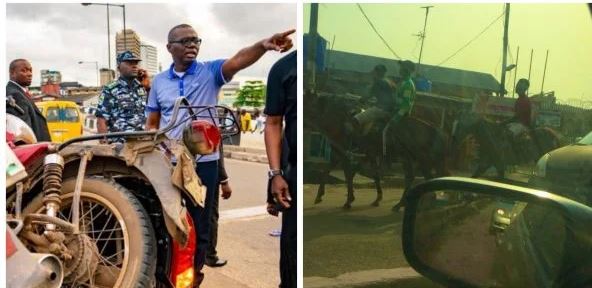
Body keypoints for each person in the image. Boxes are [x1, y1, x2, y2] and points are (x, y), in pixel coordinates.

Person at [145, 23, 294, 287]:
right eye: (185, 41)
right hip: (169, 164)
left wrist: (262, 45)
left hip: (204, 165)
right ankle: (164, 273)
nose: (192, 44)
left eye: (196, 40)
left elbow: (237, 60)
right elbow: (152, 123)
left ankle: (192, 277)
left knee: (201, 227)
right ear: (170, 48)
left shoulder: (210, 72)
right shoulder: (159, 83)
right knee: (165, 221)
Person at [264, 50, 296, 288]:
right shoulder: (283, 68)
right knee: (291, 250)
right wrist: (275, 175)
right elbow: (274, 124)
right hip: (294, 174)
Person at [95, 51, 149, 140]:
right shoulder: (110, 90)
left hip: (141, 142)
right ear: (119, 67)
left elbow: (151, 113)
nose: (134, 66)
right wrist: (105, 146)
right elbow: (101, 121)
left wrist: (148, 87)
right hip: (120, 146)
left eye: (136, 63)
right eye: (129, 63)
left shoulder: (141, 88)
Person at [6, 59, 51, 142]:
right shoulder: (15, 94)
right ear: (12, 73)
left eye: (30, 70)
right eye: (24, 70)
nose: (30, 74)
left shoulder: (20, 92)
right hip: (33, 151)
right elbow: (23, 134)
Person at [205, 144, 232, 267]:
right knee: (210, 215)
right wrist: (224, 180)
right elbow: (217, 153)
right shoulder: (210, 124)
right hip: (206, 170)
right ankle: (209, 255)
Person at [351, 64, 396, 135]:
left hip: (380, 109)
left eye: (375, 72)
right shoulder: (389, 81)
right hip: (389, 109)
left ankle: (355, 141)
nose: (373, 74)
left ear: (378, 72)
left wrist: (360, 100)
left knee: (355, 120)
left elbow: (369, 96)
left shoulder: (379, 82)